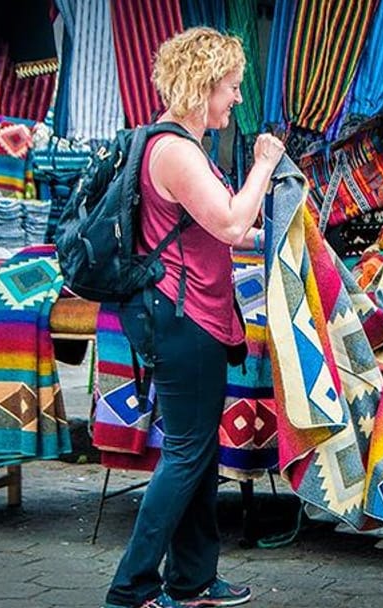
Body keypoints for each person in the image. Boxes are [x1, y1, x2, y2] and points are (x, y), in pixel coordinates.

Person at [103, 27, 285, 608]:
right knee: (185, 455)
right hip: (185, 320)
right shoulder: (177, 151)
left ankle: (193, 579)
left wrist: (277, 234)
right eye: (230, 87)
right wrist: (264, 164)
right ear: (203, 85)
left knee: (198, 456)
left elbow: (214, 229)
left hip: (192, 317)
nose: (236, 98)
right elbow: (230, 224)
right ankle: (130, 588)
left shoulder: (180, 146)